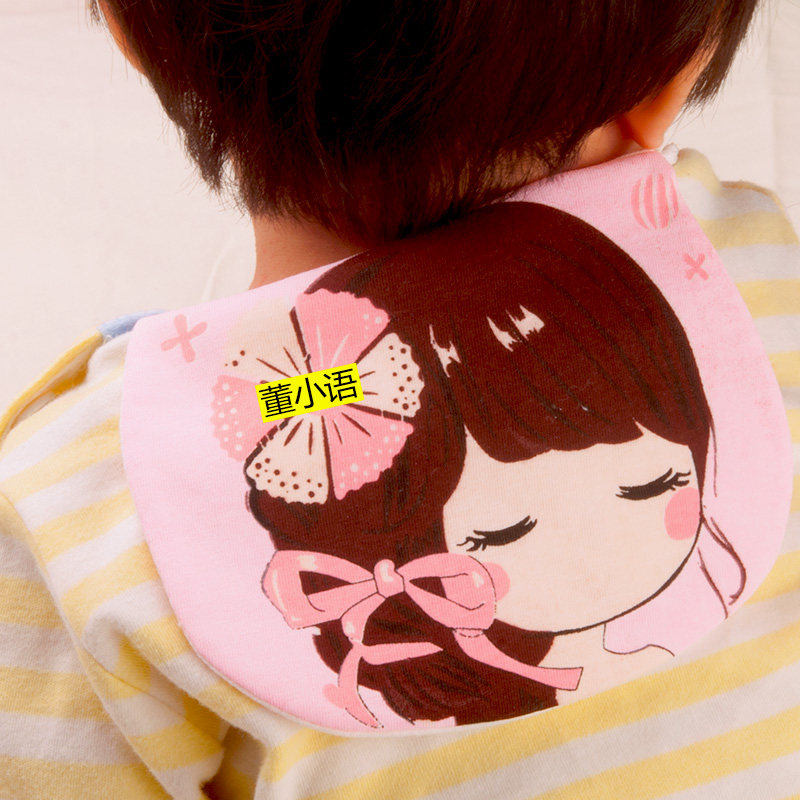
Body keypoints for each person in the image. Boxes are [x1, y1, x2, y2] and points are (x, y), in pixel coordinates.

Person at [0, 1, 798, 798]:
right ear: (675, 69)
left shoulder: (78, 515)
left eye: (648, 485)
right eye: (501, 531)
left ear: (129, 30)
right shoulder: (763, 284)